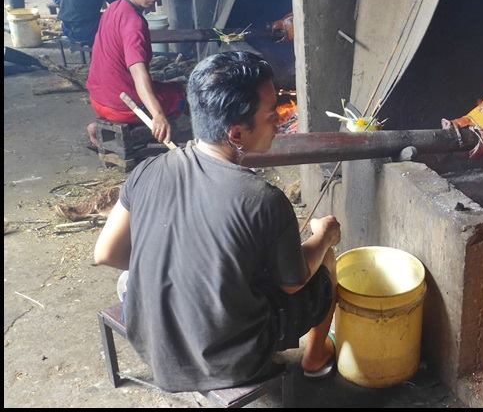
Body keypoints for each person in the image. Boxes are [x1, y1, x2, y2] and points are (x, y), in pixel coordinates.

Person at [93, 51, 341, 392]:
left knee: (130, 278)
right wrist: (325, 234)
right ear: (236, 134)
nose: (280, 121)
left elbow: (105, 253)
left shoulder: (146, 170)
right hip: (231, 362)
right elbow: (293, 285)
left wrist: (170, 265)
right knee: (324, 261)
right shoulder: (263, 198)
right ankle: (315, 357)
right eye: (272, 115)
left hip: (152, 344)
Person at [84, 0, 185, 149]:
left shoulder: (114, 8)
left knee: (161, 87)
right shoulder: (134, 24)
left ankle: (98, 125)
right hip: (121, 105)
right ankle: (147, 131)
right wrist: (158, 115)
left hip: (98, 98)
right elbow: (139, 73)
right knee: (179, 94)